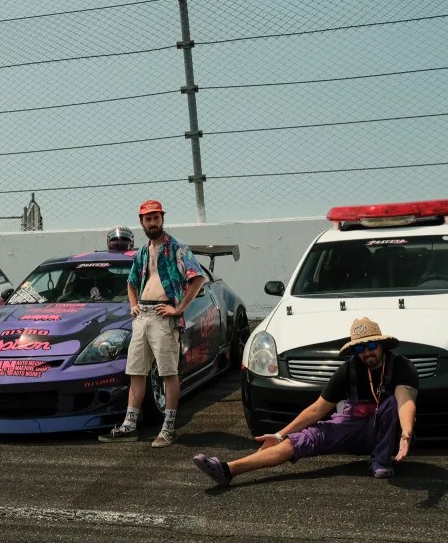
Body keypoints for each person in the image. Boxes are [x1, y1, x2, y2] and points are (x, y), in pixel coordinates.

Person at [193, 317, 418, 486]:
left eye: (371, 346)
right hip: (349, 427)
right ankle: (228, 469)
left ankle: (380, 461)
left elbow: (405, 401)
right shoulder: (349, 370)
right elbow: (317, 409)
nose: (366, 353)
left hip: (386, 433)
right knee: (296, 442)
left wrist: (406, 433)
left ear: (381, 344)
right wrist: (279, 435)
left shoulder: (401, 366)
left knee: (390, 404)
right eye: (360, 348)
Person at [99, 200, 204, 448]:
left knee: (168, 373)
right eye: (148, 219)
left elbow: (197, 278)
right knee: (136, 372)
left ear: (162, 219)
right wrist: (133, 305)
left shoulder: (177, 247)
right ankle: (129, 426)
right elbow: (131, 282)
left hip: (163, 316)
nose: (153, 222)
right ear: (142, 222)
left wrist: (178, 309)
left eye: (156, 218)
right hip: (142, 316)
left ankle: (168, 428)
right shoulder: (143, 252)